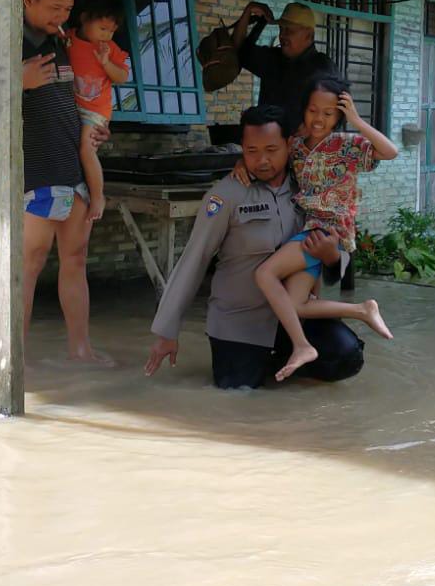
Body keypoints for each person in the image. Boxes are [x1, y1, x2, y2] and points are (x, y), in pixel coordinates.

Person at [144, 104, 366, 389]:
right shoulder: (225, 195)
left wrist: (332, 255)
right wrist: (167, 332)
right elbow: (194, 260)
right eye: (251, 151)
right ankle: (270, 368)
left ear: (289, 145)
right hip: (239, 325)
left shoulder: (309, 189)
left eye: (271, 150)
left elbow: (338, 253)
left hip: (291, 319)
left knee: (347, 354)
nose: (262, 160)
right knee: (237, 394)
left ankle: (287, 366)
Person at [0, 0, 111, 362]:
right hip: (35, 174)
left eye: (67, 9)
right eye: (54, 8)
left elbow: (72, 98)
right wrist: (18, 82)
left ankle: (80, 350)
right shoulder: (5, 44)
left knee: (76, 261)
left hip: (72, 169)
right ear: (28, 0)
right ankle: (13, 359)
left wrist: (94, 128)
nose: (62, 17)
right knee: (27, 265)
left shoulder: (58, 40)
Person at [252, 76, 397, 381]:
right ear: (303, 109)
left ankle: (303, 346)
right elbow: (269, 159)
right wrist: (243, 165)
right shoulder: (297, 147)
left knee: (264, 274)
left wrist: (357, 120)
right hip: (311, 232)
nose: (319, 119)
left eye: (328, 113)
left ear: (339, 115)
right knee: (296, 306)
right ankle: (361, 310)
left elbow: (390, 152)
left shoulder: (346, 146)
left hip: (329, 231)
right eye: (313, 110)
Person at [66, 0, 130, 222]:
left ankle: (97, 196)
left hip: (96, 112)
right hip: (72, 107)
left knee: (86, 148)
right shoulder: (68, 39)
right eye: (103, 28)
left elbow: (122, 76)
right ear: (84, 19)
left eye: (112, 30)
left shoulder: (110, 49)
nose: (107, 35)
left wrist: (105, 63)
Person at [231, 0, 335, 131]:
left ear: (309, 35)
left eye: (289, 30)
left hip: (303, 148)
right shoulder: (272, 59)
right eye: (281, 29)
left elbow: (337, 111)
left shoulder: (322, 67)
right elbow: (239, 50)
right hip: (269, 144)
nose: (282, 35)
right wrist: (249, 11)